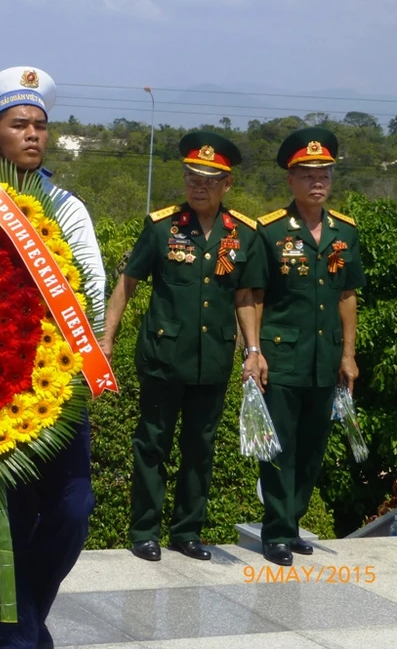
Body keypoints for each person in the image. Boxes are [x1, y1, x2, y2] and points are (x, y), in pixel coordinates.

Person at [0, 67, 106, 649]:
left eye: (40, 126)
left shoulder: (67, 209)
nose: (32, 135)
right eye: (18, 124)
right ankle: (15, 639)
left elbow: (92, 292)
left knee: (73, 511)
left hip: (54, 388)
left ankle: (23, 621)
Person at [99, 131, 264, 563]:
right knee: (151, 444)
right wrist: (107, 338)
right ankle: (144, 532)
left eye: (209, 180)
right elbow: (127, 284)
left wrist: (253, 351)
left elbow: (246, 298)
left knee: (200, 449)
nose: (198, 186)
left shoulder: (244, 233)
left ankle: (187, 532)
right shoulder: (161, 227)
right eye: (192, 177)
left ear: (227, 184)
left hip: (213, 360)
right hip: (163, 356)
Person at [254, 127, 364, 566]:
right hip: (282, 355)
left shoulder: (345, 231)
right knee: (279, 444)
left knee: (313, 445)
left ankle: (293, 522)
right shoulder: (270, 231)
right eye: (308, 175)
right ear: (291, 180)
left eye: (325, 174)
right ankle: (276, 530)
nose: (318, 182)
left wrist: (348, 354)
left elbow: (347, 295)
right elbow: (255, 296)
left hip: (326, 358)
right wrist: (254, 352)